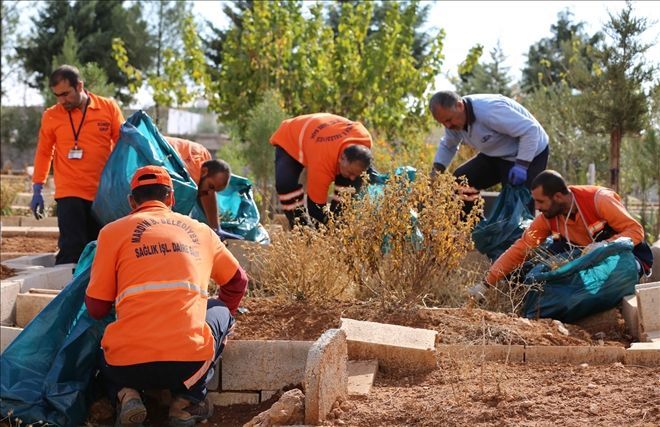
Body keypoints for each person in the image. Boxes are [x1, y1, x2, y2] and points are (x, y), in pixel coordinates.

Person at [85, 165, 248, 427]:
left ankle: (126, 395)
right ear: (171, 198)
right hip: (187, 365)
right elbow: (238, 281)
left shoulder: (112, 233)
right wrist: (208, 311)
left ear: (131, 201)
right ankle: (186, 403)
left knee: (101, 340)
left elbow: (95, 308)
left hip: (126, 366)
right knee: (220, 310)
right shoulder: (201, 231)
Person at [469, 170, 653, 300]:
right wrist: (486, 283)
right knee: (530, 274)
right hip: (584, 263)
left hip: (623, 258)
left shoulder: (599, 199)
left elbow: (635, 231)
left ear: (558, 197)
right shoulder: (548, 217)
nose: (537, 208)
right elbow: (520, 248)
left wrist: (606, 246)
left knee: (612, 278)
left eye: (541, 202)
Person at [30, 65, 124, 264]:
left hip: (102, 194)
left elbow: (123, 145)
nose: (62, 101)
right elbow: (44, 152)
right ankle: (66, 291)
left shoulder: (107, 108)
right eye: (57, 96)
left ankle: (94, 293)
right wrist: (37, 186)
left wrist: (122, 182)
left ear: (79, 86)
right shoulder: (51, 115)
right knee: (72, 248)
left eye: (66, 94)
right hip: (69, 191)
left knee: (99, 249)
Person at [429, 91, 549, 212]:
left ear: (460, 106)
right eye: (443, 123)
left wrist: (522, 165)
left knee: (516, 206)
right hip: (495, 154)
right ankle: (471, 227)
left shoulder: (490, 111)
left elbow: (530, 131)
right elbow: (448, 146)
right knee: (460, 182)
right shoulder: (453, 121)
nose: (448, 126)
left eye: (449, 120)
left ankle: (523, 230)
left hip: (529, 153)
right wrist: (435, 173)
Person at [270, 113, 373, 228]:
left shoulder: (364, 138)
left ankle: (337, 231)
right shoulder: (322, 162)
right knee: (285, 184)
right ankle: (301, 230)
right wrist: (320, 235)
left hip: (320, 137)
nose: (352, 177)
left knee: (347, 195)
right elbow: (316, 208)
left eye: (356, 173)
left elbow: (356, 180)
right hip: (292, 135)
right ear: (341, 159)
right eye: (350, 172)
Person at [165, 136, 232, 235]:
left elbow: (208, 192)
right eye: (211, 186)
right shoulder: (188, 175)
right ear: (204, 171)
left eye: (214, 190)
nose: (210, 193)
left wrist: (216, 228)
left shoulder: (204, 157)